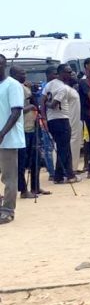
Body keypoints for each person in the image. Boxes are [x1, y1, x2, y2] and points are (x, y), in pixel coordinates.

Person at [10, 66, 50, 198]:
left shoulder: (23, 86)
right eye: (22, 73)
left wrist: (32, 95)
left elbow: (34, 101)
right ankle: (23, 190)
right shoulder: (14, 87)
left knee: (36, 159)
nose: (25, 75)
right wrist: (31, 106)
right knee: (21, 162)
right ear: (14, 74)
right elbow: (16, 110)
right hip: (22, 130)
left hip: (31, 126)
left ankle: (35, 187)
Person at [42, 64, 80, 184]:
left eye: (70, 72)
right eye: (67, 72)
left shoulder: (49, 84)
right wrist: (48, 104)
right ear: (60, 73)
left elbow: (41, 100)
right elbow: (53, 104)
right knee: (64, 149)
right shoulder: (63, 88)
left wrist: (44, 117)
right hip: (61, 119)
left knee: (62, 147)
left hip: (52, 120)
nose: (69, 74)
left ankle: (63, 175)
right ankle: (64, 176)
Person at [0, 54, 25, 225]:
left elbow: (16, 112)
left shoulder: (13, 85)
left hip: (7, 139)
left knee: (9, 177)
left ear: (4, 65)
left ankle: (8, 210)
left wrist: (2, 133)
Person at [67, 76, 84, 174]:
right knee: (71, 143)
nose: (73, 75)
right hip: (69, 120)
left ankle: (74, 167)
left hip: (77, 120)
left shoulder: (72, 89)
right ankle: (70, 169)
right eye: (70, 74)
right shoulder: (65, 89)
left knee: (76, 143)